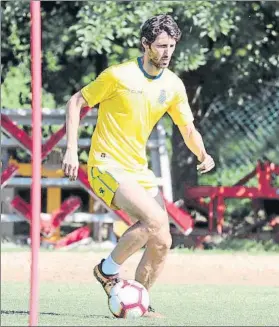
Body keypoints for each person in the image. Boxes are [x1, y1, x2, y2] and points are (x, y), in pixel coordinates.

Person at [62, 14, 215, 317]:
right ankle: (107, 271)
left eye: (171, 45)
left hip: (138, 171)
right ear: (145, 45)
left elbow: (186, 128)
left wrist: (203, 154)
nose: (167, 52)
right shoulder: (118, 76)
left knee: (162, 241)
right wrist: (69, 149)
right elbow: (77, 102)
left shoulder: (173, 85)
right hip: (105, 165)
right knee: (156, 219)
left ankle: (138, 303)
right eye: (161, 45)